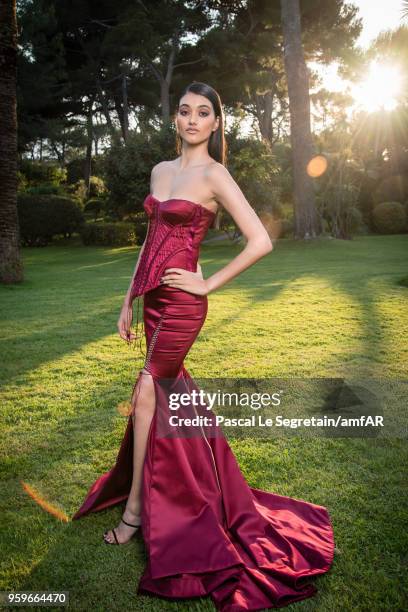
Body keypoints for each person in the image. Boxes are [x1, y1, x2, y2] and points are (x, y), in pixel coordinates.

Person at [72, 81, 335, 610]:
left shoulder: (216, 174)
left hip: (185, 305)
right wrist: (127, 300)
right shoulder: (161, 172)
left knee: (148, 394)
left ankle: (138, 515)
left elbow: (261, 238)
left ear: (216, 124)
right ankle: (201, 485)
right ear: (177, 120)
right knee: (168, 396)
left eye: (204, 113)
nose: (193, 119)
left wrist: (208, 283)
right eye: (186, 111)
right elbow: (150, 242)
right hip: (152, 302)